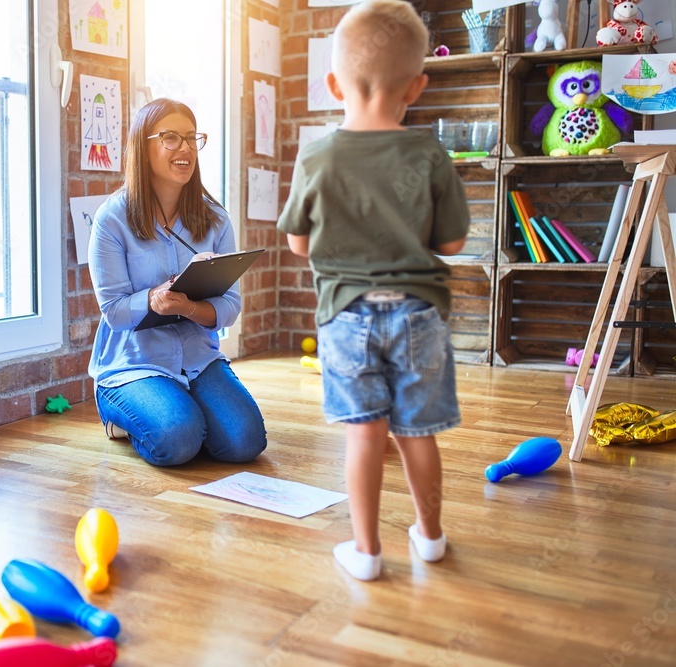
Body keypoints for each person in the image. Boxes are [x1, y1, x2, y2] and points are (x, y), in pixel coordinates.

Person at [276, 0, 469, 581]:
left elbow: (299, 247)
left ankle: (365, 551)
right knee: (418, 432)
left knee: (365, 434)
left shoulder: (317, 155)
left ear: (333, 83)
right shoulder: (431, 153)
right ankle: (429, 537)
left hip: (346, 316)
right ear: (416, 86)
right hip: (419, 315)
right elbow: (453, 245)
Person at [87, 98, 267, 467]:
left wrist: (188, 307)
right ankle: (119, 416)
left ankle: (187, 412)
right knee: (178, 440)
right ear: (144, 145)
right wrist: (154, 297)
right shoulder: (112, 219)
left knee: (245, 443)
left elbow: (231, 306)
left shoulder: (215, 219)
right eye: (170, 137)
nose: (184, 148)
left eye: (190, 138)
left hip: (199, 357)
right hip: (134, 363)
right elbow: (115, 312)